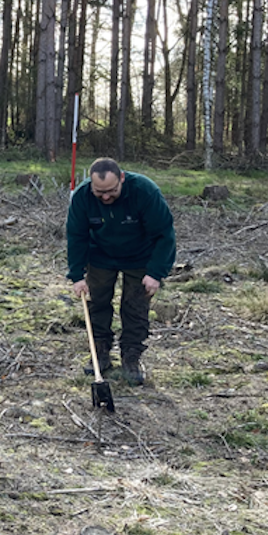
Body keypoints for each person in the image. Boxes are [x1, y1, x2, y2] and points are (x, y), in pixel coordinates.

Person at [66, 157, 176, 386]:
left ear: (122, 179)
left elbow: (164, 235)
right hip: (100, 256)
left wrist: (156, 273)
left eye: (111, 191)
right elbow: (76, 237)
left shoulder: (145, 192)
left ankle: (131, 357)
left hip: (139, 256)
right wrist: (77, 275)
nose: (105, 197)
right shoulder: (82, 197)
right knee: (97, 303)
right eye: (100, 192)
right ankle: (100, 353)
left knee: (135, 307)